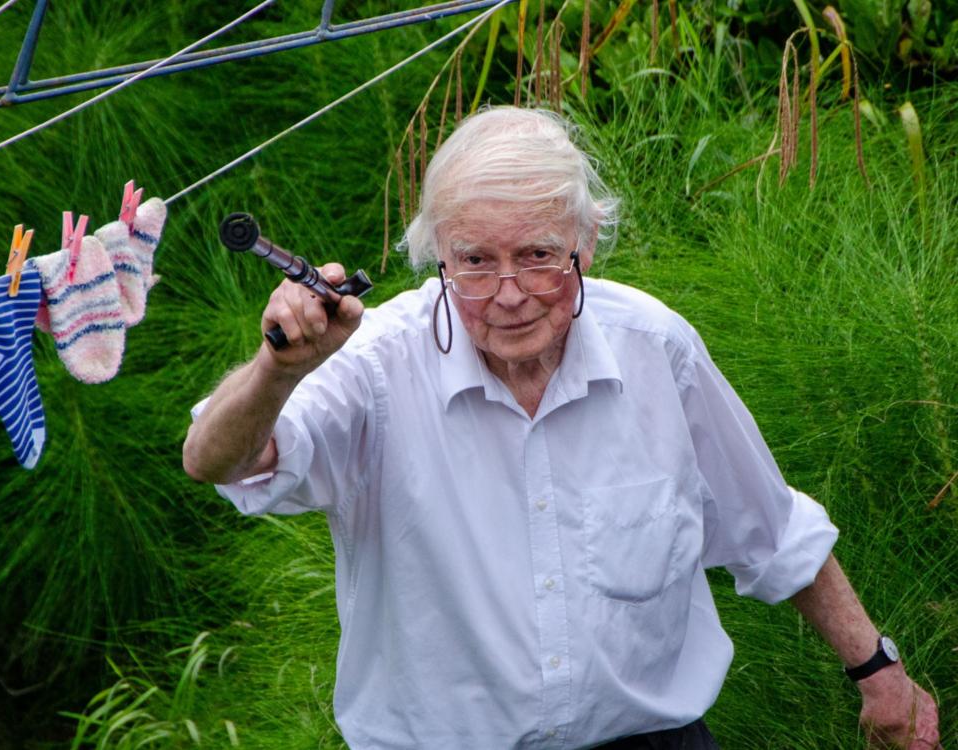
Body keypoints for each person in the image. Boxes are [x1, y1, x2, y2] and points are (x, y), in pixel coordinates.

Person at [183, 107, 940, 749]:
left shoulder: (654, 345)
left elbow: (768, 528)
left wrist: (878, 672)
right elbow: (217, 460)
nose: (507, 293)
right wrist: (278, 371)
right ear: (437, 256)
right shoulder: (376, 361)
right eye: (475, 261)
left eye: (538, 256)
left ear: (587, 245)